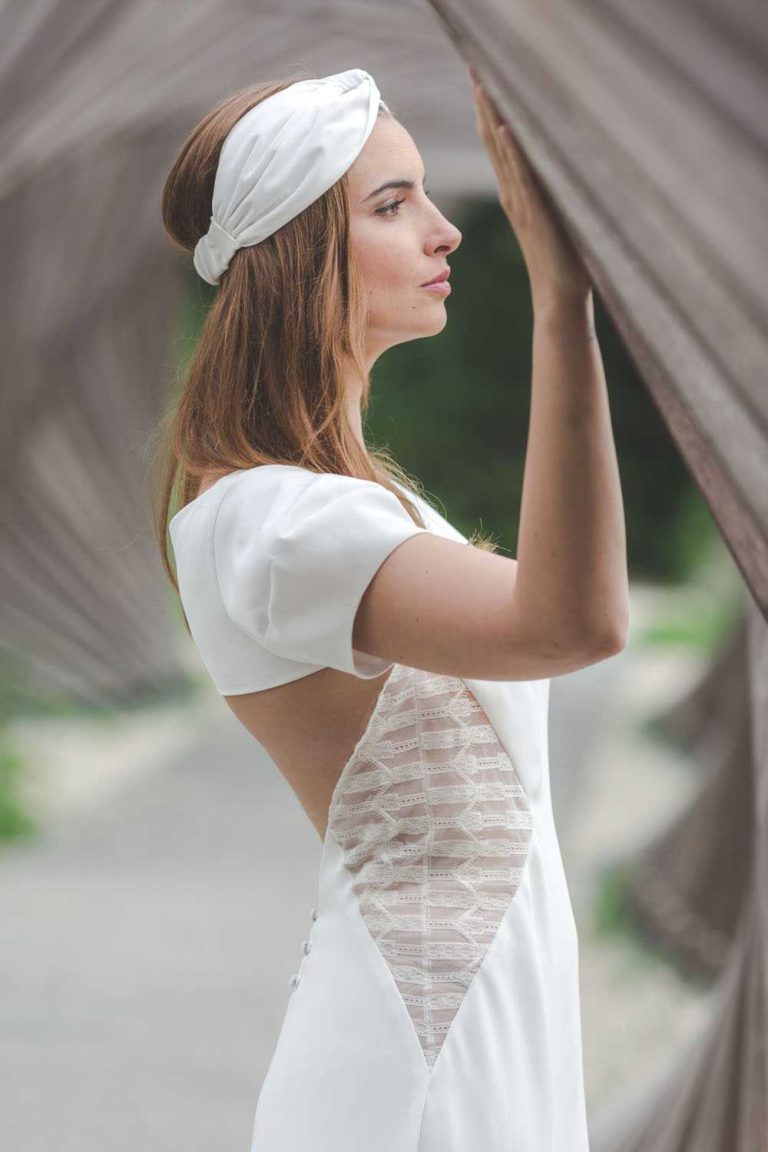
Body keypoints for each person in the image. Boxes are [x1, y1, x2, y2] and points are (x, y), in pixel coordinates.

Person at [154, 66, 628, 1151]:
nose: (445, 229)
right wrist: (564, 309)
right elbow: (576, 622)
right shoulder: (277, 525)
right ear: (297, 256)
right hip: (420, 1065)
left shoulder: (356, 504)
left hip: (475, 1032)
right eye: (392, 202)